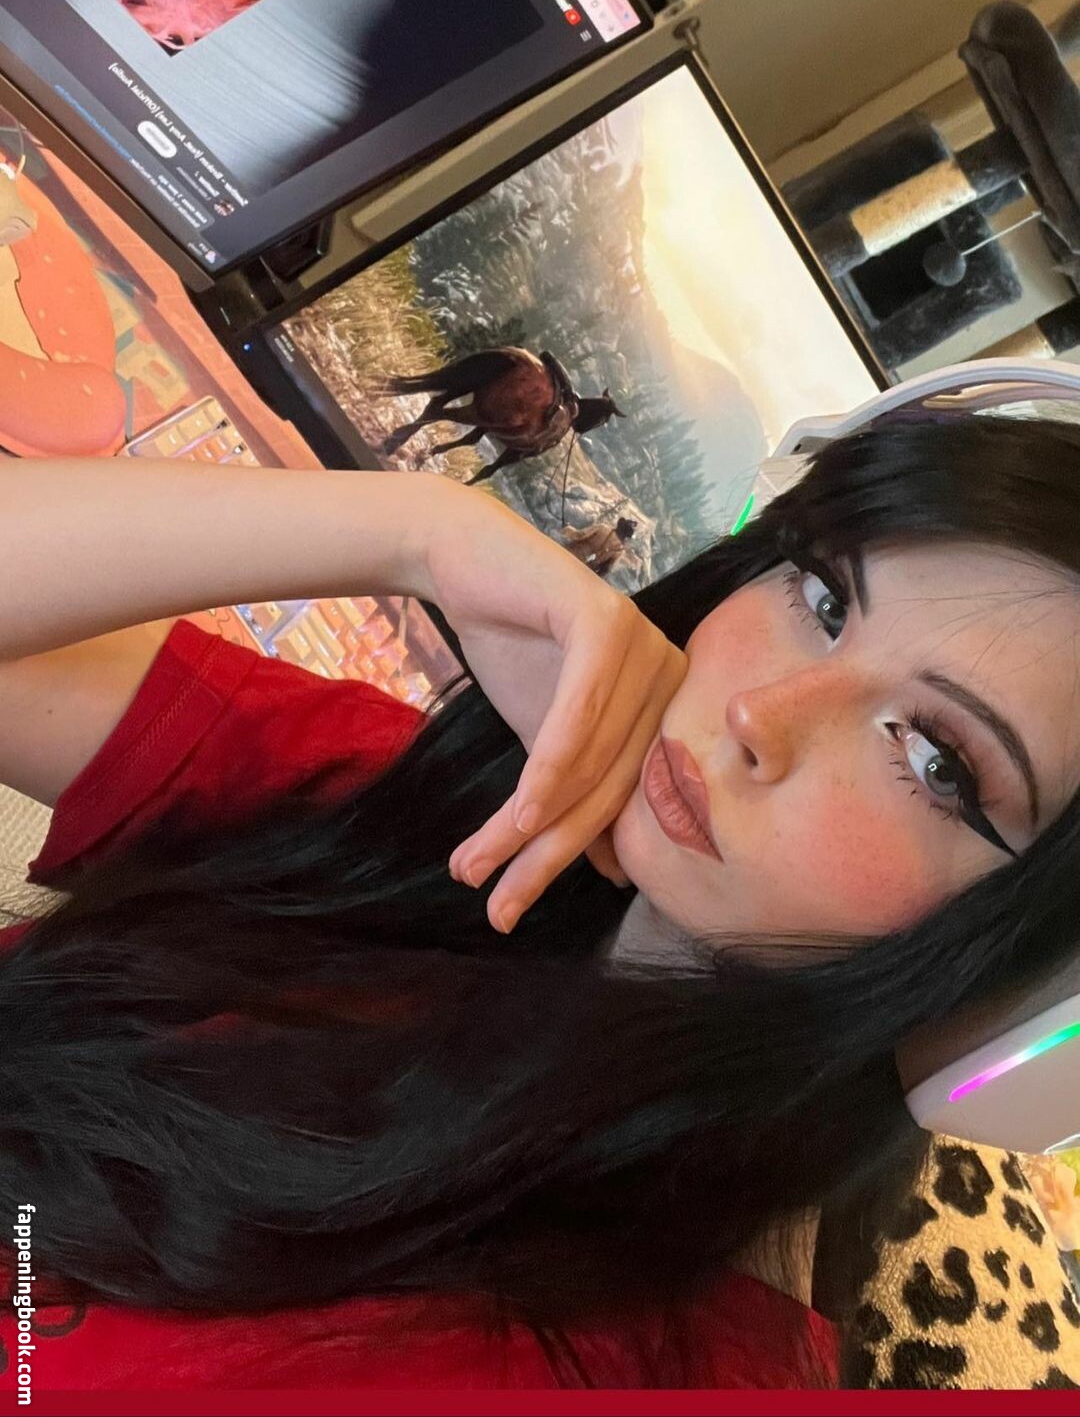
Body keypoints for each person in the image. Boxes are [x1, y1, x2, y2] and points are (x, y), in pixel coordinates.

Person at [0, 400, 1078, 1399]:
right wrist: (419, 532)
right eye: (824, 597)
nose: (759, 712)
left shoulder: (630, 1372)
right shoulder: (445, 822)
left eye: (937, 761)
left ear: (1027, 993)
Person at [560, 514, 638, 577]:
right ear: (627, 535)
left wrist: (568, 528)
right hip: (582, 572)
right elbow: (606, 569)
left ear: (619, 525)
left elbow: (579, 535)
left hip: (569, 555)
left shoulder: (602, 528)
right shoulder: (620, 551)